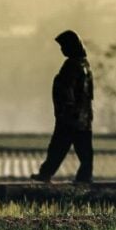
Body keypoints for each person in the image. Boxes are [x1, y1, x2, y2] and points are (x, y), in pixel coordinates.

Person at [31, 30, 94, 184]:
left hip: (70, 116)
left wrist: (65, 111)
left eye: (64, 46)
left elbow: (65, 90)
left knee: (58, 147)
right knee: (83, 150)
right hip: (83, 116)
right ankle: (83, 177)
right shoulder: (85, 65)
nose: (62, 50)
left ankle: (47, 174)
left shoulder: (71, 66)